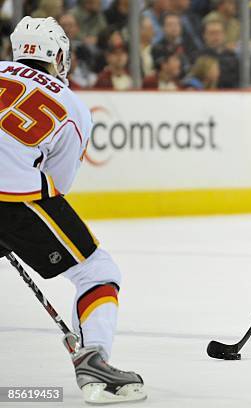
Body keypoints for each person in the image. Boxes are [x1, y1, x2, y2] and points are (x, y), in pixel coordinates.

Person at [0, 17, 146, 403]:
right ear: (59, 56)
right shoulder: (72, 105)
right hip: (14, 199)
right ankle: (95, 359)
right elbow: (57, 186)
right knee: (97, 272)